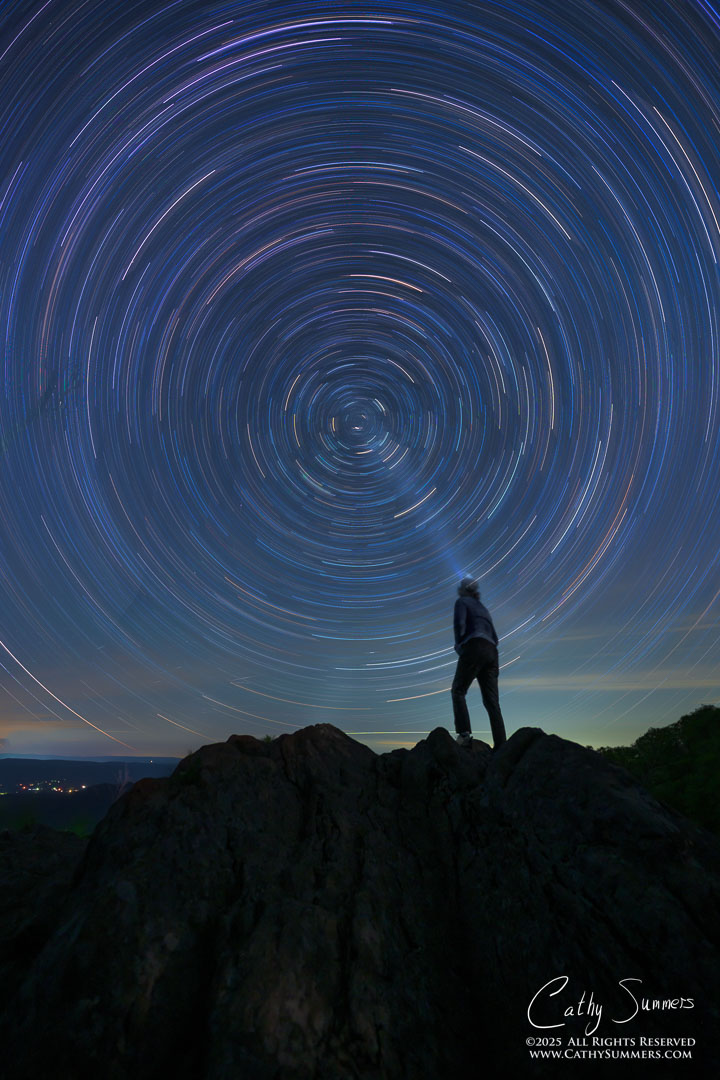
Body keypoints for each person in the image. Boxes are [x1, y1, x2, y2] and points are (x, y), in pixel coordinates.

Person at [451, 577, 507, 748]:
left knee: (458, 691)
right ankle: (501, 745)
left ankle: (464, 735)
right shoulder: (483, 609)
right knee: (492, 701)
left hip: (474, 646)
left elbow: (460, 624)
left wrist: (460, 645)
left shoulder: (462, 602)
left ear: (464, 590)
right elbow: (496, 638)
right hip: (492, 651)